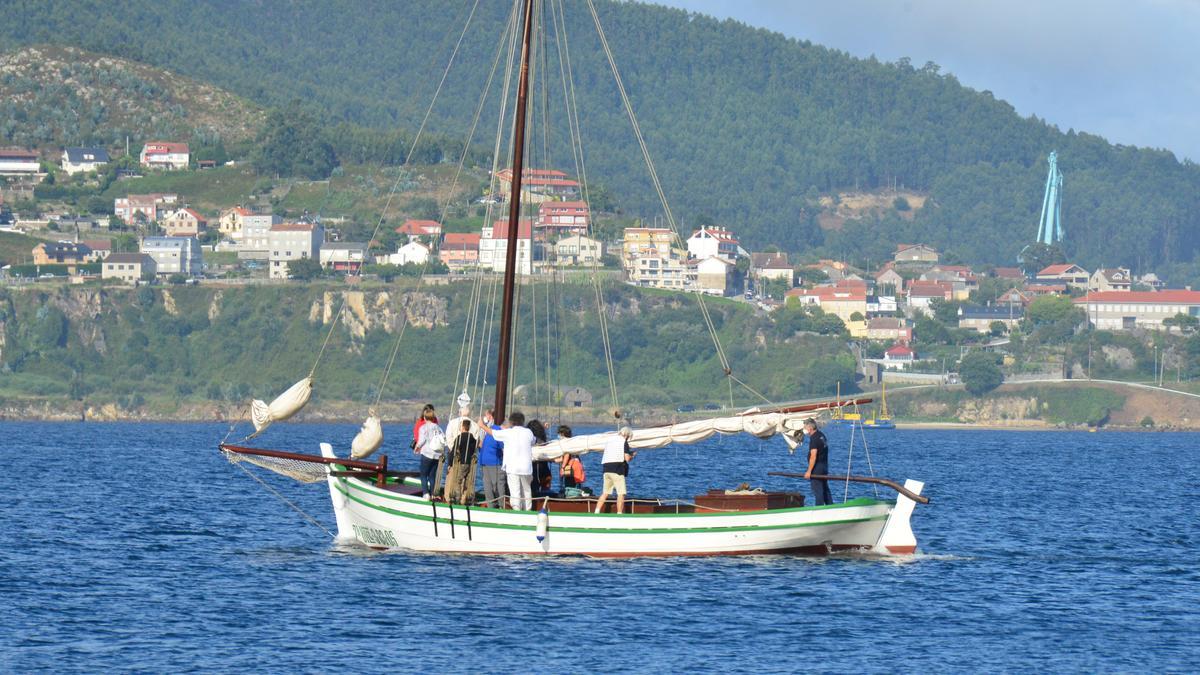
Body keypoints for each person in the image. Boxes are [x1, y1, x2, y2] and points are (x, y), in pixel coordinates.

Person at [479, 411, 535, 511]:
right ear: (522, 422)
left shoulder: (508, 432)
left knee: (515, 492)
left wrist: (482, 425)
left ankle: (517, 512)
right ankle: (528, 511)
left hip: (513, 467)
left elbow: (493, 433)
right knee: (527, 491)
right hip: (526, 468)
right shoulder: (528, 432)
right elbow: (533, 440)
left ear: (511, 422)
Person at [594, 427, 635, 514]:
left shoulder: (610, 441)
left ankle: (596, 511)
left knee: (605, 492)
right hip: (617, 470)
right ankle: (619, 513)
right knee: (621, 493)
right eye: (628, 437)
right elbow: (627, 458)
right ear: (626, 435)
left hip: (606, 469)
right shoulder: (624, 442)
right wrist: (633, 455)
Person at [413, 406, 446, 499]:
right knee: (432, 476)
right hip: (436, 455)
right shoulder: (438, 428)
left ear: (424, 417)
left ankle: (425, 493)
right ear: (433, 418)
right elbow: (443, 439)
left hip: (427, 454)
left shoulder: (423, 428)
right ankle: (433, 494)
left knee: (423, 475)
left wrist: (417, 447)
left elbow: (422, 440)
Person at [444, 419, 478, 505]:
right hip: (470, 463)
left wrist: (450, 463)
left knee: (457, 481)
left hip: (462, 463)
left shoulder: (459, 438)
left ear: (462, 427)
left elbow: (453, 452)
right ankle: (466, 499)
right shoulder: (473, 439)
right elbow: (474, 450)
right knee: (467, 482)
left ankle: (457, 500)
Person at [802, 418, 833, 506]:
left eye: (805, 427)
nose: (805, 430)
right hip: (824, 467)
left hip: (817, 468)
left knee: (818, 490)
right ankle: (830, 506)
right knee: (825, 489)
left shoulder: (814, 438)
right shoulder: (821, 435)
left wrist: (809, 471)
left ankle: (819, 509)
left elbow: (813, 456)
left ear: (809, 428)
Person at [478, 409, 505, 507]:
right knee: (487, 486)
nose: (486, 417)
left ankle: (502, 505)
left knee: (497, 486)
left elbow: (502, 446)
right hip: (484, 461)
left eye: (487, 415)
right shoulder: (485, 430)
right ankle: (491, 506)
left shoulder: (497, 429)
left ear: (491, 416)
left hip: (495, 462)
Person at [528, 419, 554, 497]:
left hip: (534, 469)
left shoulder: (530, 439)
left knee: (533, 488)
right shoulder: (543, 441)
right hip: (544, 469)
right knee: (545, 487)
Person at [556, 425, 585, 490]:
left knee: (570, 486)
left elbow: (566, 455)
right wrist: (551, 459)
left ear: (562, 434)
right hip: (577, 466)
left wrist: (562, 468)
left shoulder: (566, 443)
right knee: (576, 485)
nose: (558, 436)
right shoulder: (571, 442)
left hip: (571, 468)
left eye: (559, 434)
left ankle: (570, 497)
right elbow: (562, 459)